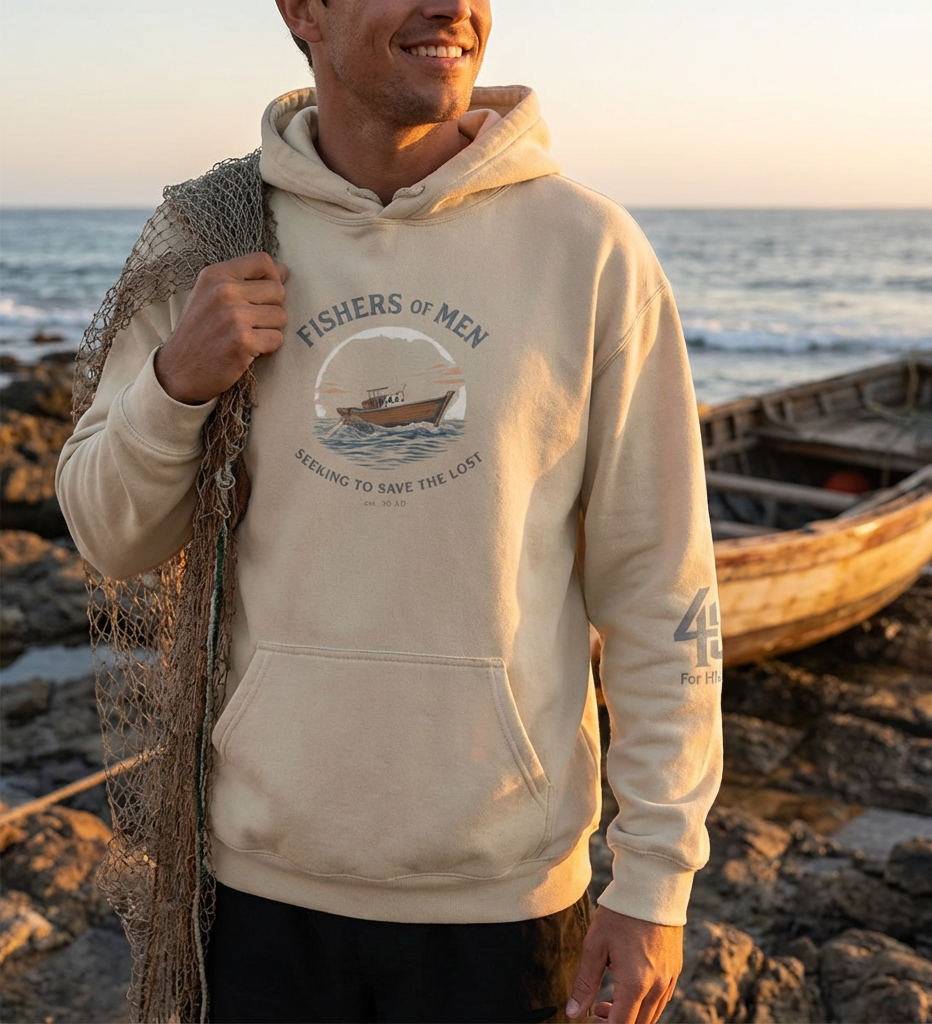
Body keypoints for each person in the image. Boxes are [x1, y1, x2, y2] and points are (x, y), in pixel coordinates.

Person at [56, 1, 723, 1021]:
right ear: (304, 12)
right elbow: (109, 536)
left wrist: (655, 878)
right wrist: (174, 384)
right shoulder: (210, 237)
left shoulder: (590, 250)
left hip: (506, 898)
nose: (452, 7)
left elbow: (660, 584)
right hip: (259, 892)